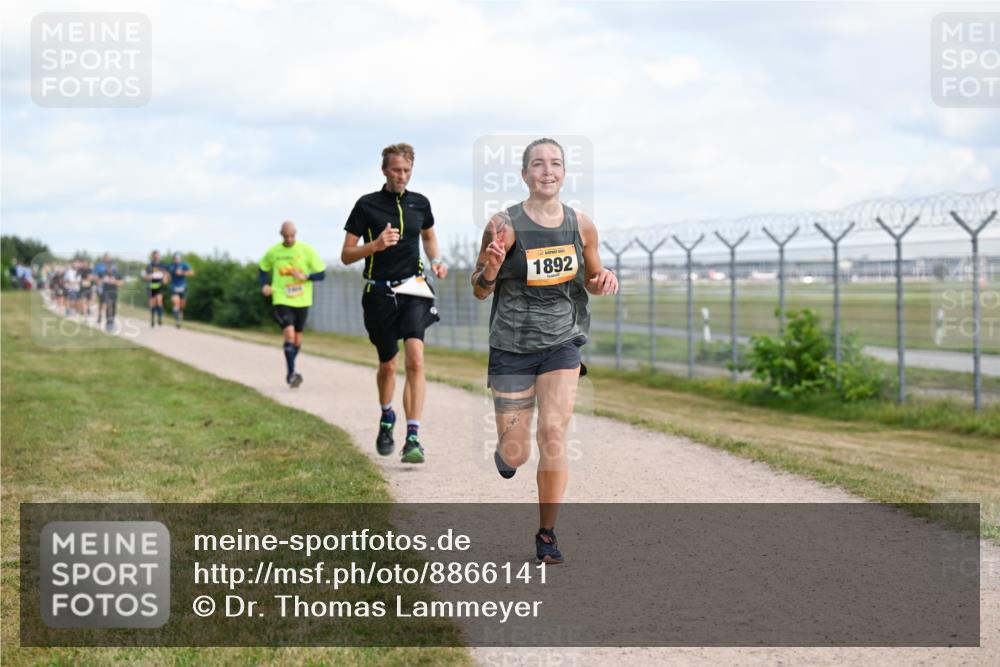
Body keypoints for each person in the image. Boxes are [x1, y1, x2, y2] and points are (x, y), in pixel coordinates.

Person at [471, 137, 618, 564]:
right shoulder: (503, 225)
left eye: (555, 163)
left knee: (553, 432)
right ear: (524, 174)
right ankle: (506, 451)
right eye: (538, 164)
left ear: (565, 173)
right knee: (516, 452)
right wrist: (491, 269)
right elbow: (479, 289)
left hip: (562, 342)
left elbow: (591, 278)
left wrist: (603, 279)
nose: (547, 171)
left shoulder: (581, 226)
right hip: (512, 346)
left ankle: (547, 534)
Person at [341, 143, 447, 464]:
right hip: (379, 293)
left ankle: (413, 437)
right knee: (388, 364)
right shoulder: (366, 205)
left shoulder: (420, 203)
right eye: (396, 170)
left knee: (415, 360)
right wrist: (374, 245)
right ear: (384, 170)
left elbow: (428, 236)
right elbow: (346, 255)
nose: (402, 176)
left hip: (414, 287)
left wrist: (436, 260)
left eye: (407, 170)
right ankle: (387, 416)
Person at [259, 221, 326, 387]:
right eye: (286, 236)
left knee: (297, 340)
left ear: (295, 233)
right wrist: (264, 285)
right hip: (281, 297)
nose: (289, 239)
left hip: (302, 300)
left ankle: (290, 371)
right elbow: (262, 268)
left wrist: (306, 277)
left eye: (292, 236)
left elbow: (322, 274)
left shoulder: (306, 250)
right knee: (289, 333)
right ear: (281, 234)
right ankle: (292, 374)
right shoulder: (274, 251)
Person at [142, 251, 169, 328]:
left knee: (159, 301)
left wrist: (165, 279)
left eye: (157, 256)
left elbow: (166, 275)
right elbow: (145, 277)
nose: (156, 257)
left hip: (159, 286)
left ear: (159, 256)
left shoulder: (162, 265)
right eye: (155, 256)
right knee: (152, 304)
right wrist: (150, 276)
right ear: (153, 257)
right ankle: (152, 319)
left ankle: (160, 319)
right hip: (151, 287)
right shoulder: (149, 266)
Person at [167, 253, 195, 328]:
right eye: (175, 258)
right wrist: (166, 277)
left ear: (180, 259)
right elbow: (166, 274)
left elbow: (192, 273)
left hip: (183, 287)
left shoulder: (184, 265)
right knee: (176, 302)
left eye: (178, 258)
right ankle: (175, 311)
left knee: (182, 306)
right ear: (173, 259)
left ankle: (178, 321)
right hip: (174, 287)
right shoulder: (171, 266)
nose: (176, 260)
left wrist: (182, 272)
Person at [101, 261, 124, 331]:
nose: (109, 269)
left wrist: (114, 281)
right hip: (106, 292)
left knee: (113, 307)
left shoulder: (117, 274)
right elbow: (98, 279)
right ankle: (108, 322)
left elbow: (121, 283)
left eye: (110, 267)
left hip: (114, 292)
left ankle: (112, 321)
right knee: (108, 306)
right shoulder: (104, 273)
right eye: (108, 267)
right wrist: (103, 280)